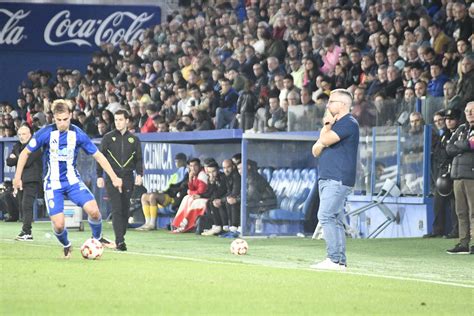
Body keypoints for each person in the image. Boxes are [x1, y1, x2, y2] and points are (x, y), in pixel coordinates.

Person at [13, 100, 122, 258]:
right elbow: (25, 153)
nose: (62, 123)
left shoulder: (78, 134)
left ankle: (97, 239)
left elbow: (98, 156)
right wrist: (17, 177)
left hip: (73, 182)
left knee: (95, 212)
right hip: (53, 184)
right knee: (59, 225)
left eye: (65, 119)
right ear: (53, 118)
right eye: (59, 120)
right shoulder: (45, 133)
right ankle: (66, 245)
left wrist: (113, 177)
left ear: (70, 116)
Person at [311, 88, 359, 271]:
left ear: (343, 104)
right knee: (336, 218)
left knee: (325, 215)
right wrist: (326, 129)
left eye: (331, 102)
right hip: (327, 177)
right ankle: (339, 261)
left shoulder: (349, 123)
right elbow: (315, 150)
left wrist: (326, 130)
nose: (328, 105)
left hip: (337, 178)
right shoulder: (334, 124)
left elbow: (325, 141)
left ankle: (333, 258)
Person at [97, 109, 143, 251]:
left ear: (127, 121)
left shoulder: (134, 139)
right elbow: (100, 158)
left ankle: (120, 236)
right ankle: (120, 241)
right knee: (116, 208)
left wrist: (140, 174)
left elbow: (139, 159)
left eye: (121, 120)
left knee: (125, 209)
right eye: (116, 120)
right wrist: (99, 176)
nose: (118, 122)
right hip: (112, 176)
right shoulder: (107, 138)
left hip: (128, 177)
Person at [446, 102, 474, 255]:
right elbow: (449, 147)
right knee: (461, 211)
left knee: (473, 212)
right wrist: (465, 145)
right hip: (457, 175)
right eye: (467, 111)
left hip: (472, 175)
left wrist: (462, 145)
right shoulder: (462, 128)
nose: (469, 113)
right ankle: (463, 242)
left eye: (472, 111)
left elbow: (470, 145)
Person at [6, 124, 42, 240]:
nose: (22, 136)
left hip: (31, 180)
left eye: (24, 134)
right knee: (22, 205)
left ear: (30, 134)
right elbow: (9, 162)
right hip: (20, 181)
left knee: (26, 205)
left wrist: (16, 156)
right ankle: (25, 230)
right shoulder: (17, 146)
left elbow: (27, 162)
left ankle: (27, 232)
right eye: (20, 134)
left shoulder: (35, 146)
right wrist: (19, 157)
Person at [138, 153, 188, 231]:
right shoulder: (176, 173)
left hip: (173, 197)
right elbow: (168, 187)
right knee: (144, 196)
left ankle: (152, 224)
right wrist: (161, 191)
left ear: (183, 161)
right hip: (167, 193)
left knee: (153, 196)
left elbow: (180, 187)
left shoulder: (186, 172)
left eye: (178, 161)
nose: (176, 163)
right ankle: (147, 222)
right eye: (175, 161)